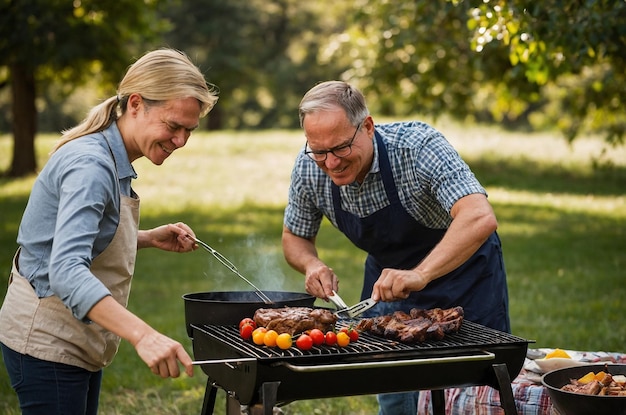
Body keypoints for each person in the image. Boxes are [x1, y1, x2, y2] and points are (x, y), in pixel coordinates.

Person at [0, 48, 219, 414]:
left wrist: (146, 237)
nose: (180, 141)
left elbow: (79, 234)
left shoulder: (111, 156)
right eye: (173, 125)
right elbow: (66, 269)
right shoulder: (91, 166)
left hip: (78, 340)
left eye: (189, 130)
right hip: (48, 343)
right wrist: (144, 335)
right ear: (136, 104)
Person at [282, 81, 510, 415]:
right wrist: (311, 264)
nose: (330, 163)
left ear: (368, 127)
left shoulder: (418, 147)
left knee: (470, 395)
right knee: (393, 387)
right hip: (387, 287)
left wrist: (421, 274)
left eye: (341, 148)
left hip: (467, 278)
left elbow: (479, 217)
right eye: (319, 151)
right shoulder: (308, 169)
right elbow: (295, 237)